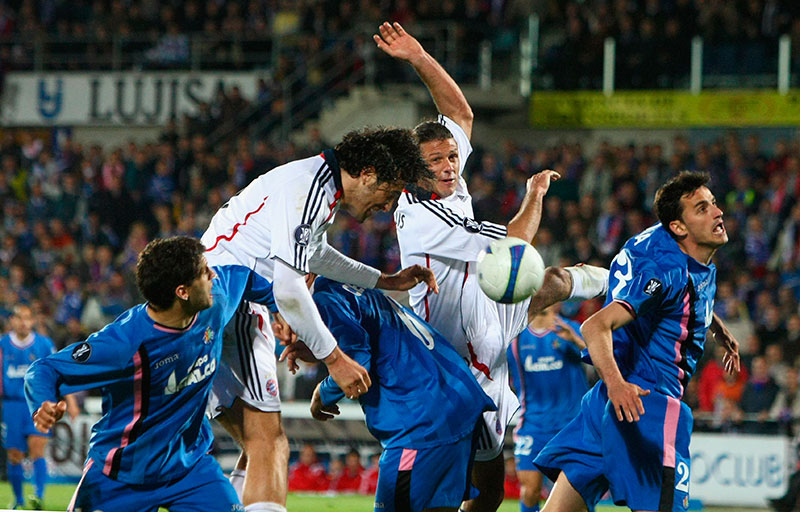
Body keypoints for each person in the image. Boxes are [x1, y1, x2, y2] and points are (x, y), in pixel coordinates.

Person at [375, 21, 608, 511]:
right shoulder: (420, 213)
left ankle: (627, 279)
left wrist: (419, 55)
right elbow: (517, 241)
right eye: (436, 160)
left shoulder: (452, 188)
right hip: (455, 360)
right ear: (416, 169)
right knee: (450, 491)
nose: (448, 165)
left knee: (491, 495)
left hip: (489, 331)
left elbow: (459, 110)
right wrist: (534, 195)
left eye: (452, 156)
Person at [202, 126, 438, 512]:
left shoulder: (319, 186)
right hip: (228, 306)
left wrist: (384, 280)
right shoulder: (309, 190)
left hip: (232, 303)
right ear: (367, 173)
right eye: (389, 193)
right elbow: (289, 289)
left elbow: (315, 256)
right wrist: (335, 359)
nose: (388, 205)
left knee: (260, 443)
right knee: (264, 442)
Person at [24, 236, 281, 512]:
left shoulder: (214, 302)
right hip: (121, 478)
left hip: (190, 470)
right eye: (204, 271)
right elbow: (45, 368)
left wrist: (282, 311)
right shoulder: (124, 343)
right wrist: (42, 401)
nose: (213, 275)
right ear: (182, 291)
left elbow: (243, 278)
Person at [534, 171, 741, 512]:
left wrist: (713, 324)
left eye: (713, 203)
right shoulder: (667, 271)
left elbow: (679, 295)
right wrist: (616, 385)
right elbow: (594, 326)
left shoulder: (672, 247)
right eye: (702, 209)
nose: (717, 213)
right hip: (646, 404)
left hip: (603, 404)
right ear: (678, 227)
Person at [284, 276, 497, 512]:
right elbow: (365, 339)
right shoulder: (345, 285)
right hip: (457, 405)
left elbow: (357, 364)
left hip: (421, 424)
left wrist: (321, 395)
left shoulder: (323, 300)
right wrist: (317, 347)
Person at [507, 304, 589, 512]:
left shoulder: (571, 328)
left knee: (580, 493)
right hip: (533, 424)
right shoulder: (515, 339)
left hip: (571, 424)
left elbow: (602, 359)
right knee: (530, 490)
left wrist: (577, 342)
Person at [1, 305, 79, 510]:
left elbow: (59, 371)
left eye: (27, 318)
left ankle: (38, 496)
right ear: (12, 321)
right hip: (11, 405)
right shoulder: (2, 345)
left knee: (37, 449)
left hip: (38, 404)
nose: (23, 322)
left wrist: (70, 401)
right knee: (14, 454)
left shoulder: (44, 344)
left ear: (33, 321)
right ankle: (18, 500)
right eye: (19, 318)